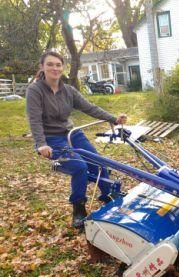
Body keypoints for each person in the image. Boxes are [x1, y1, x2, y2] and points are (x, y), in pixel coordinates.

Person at [26, 51, 127, 229]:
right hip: (51, 139)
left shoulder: (68, 90)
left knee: (98, 161)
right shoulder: (35, 90)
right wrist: (42, 144)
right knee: (79, 167)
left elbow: (90, 108)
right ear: (42, 67)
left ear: (62, 67)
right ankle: (79, 209)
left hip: (71, 134)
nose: (55, 68)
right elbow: (34, 119)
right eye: (50, 64)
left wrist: (113, 119)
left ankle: (107, 195)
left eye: (58, 65)